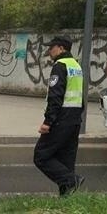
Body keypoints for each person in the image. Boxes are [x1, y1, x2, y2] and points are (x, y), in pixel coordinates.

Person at [33, 36, 85, 196]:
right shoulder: (76, 66)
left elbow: (56, 96)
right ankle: (67, 198)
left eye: (52, 47)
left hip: (61, 119)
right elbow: (80, 98)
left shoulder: (60, 66)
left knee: (41, 156)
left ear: (61, 48)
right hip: (75, 119)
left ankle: (72, 181)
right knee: (66, 160)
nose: (49, 50)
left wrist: (48, 122)